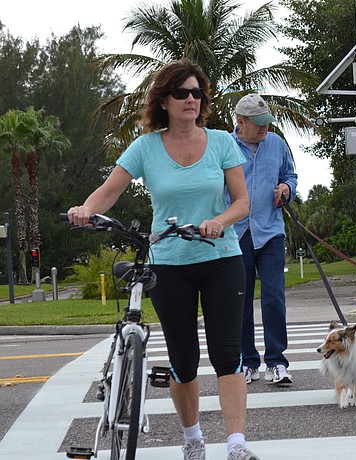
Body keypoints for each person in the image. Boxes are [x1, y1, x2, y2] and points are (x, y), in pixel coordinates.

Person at [66, 60, 259, 460]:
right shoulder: (146, 147)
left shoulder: (222, 142)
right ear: (165, 101)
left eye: (197, 93)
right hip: (169, 263)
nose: (191, 99)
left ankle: (237, 444)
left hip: (222, 258)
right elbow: (109, 191)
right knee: (182, 359)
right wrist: (85, 209)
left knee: (228, 354)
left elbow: (242, 202)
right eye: (182, 93)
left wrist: (218, 221)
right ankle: (192, 440)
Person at [231, 94, 297, 386]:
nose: (263, 129)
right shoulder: (225, 147)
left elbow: (290, 175)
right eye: (257, 124)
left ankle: (277, 362)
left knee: (273, 296)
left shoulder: (277, 145)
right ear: (240, 122)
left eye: (266, 123)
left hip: (270, 231)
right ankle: (247, 361)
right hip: (236, 234)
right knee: (240, 300)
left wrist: (286, 188)